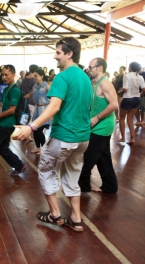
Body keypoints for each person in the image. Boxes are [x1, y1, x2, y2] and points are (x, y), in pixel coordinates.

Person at [13, 37, 92, 232]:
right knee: (72, 176)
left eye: (58, 52)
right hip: (83, 138)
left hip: (63, 136)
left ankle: (55, 214)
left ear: (69, 53)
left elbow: (54, 106)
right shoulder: (84, 77)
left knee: (47, 172)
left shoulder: (62, 77)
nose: (55, 56)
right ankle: (76, 219)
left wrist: (31, 127)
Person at [78, 58, 119, 194]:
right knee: (103, 157)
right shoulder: (92, 83)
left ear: (100, 68)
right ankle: (110, 186)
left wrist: (96, 118)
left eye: (91, 67)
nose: (89, 70)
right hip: (95, 125)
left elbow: (114, 104)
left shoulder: (105, 83)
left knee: (89, 156)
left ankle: (82, 186)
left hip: (103, 125)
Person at [118, 62, 145, 144]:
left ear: (130, 67)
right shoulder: (140, 77)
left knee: (121, 118)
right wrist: (139, 95)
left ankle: (123, 138)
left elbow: (125, 89)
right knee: (130, 118)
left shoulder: (127, 76)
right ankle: (132, 138)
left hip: (128, 98)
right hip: (137, 99)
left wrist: (120, 91)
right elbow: (144, 89)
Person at [30, 70, 50, 155]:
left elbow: (54, 98)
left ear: (41, 76)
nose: (35, 77)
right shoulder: (34, 86)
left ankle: (44, 148)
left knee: (39, 130)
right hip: (36, 110)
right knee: (35, 130)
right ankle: (38, 147)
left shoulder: (47, 86)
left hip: (44, 110)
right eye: (34, 76)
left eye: (36, 76)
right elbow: (30, 94)